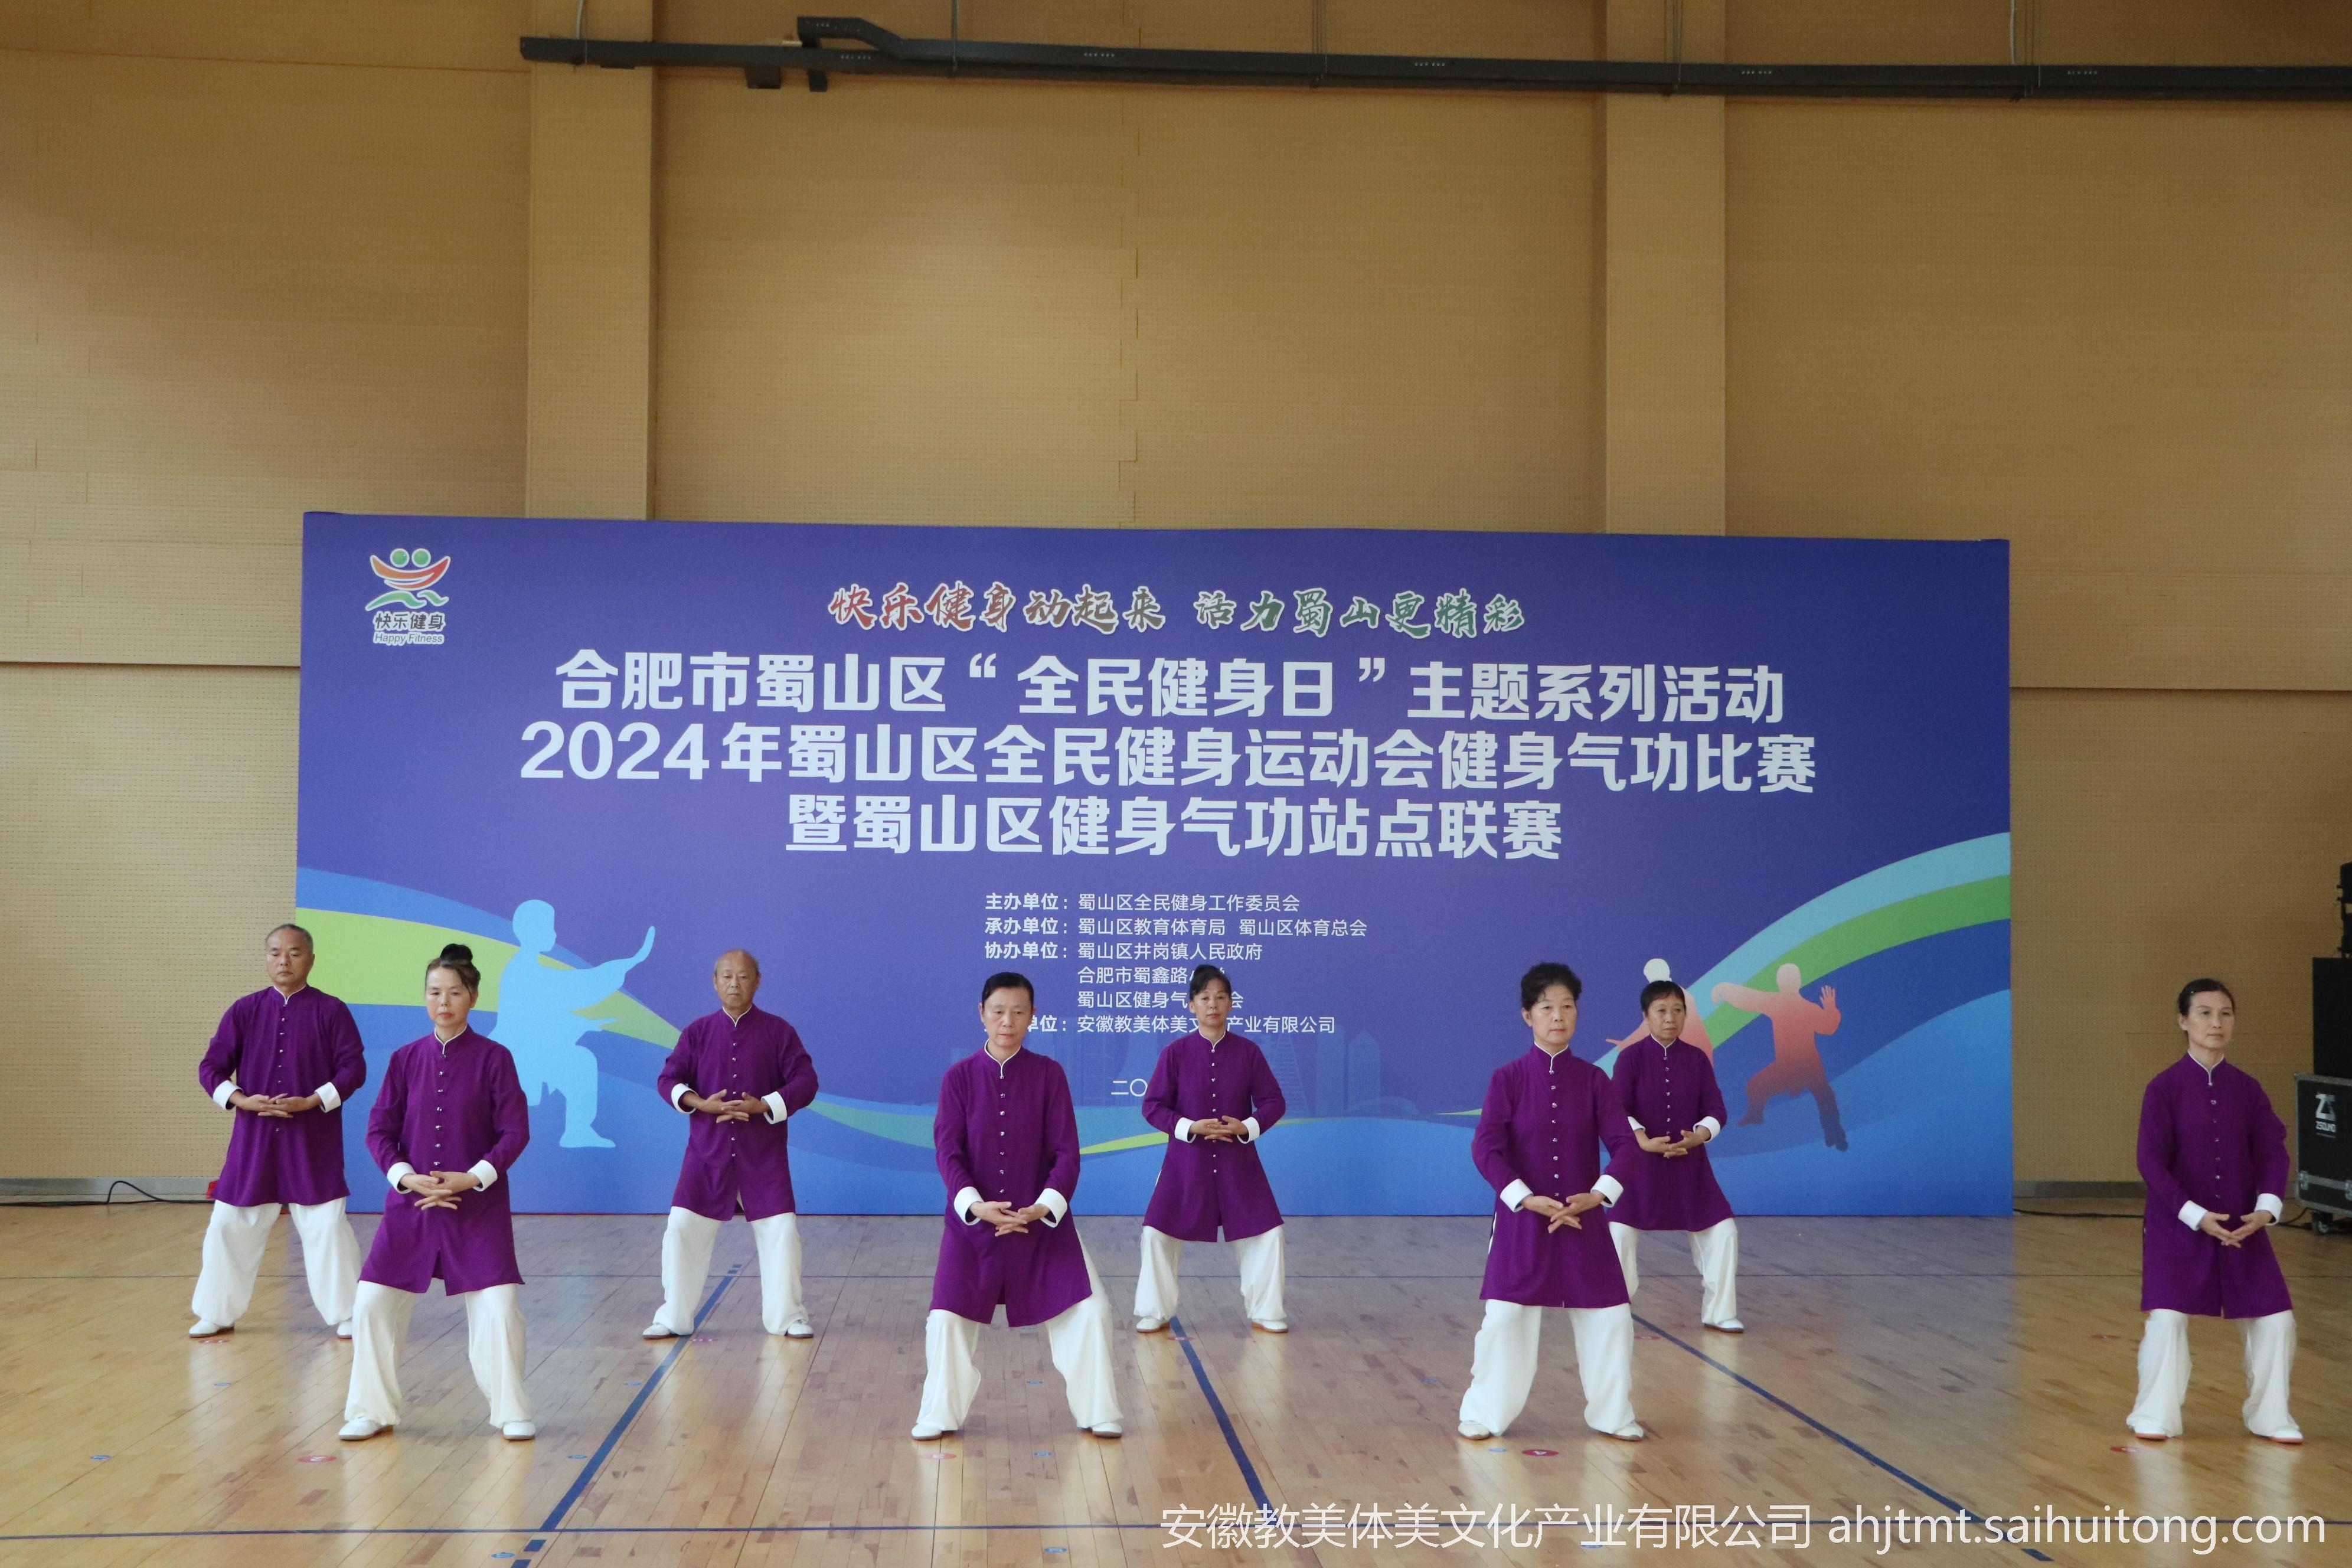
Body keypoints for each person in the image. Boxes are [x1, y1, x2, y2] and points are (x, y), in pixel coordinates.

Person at [914, 973, 1121, 1441]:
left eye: (1019, 1012)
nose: (1007, 1021)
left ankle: (1098, 1410)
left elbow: (1067, 1153)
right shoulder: (959, 1078)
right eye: (998, 1011)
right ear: (982, 1014)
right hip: (973, 1227)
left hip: (1041, 1226)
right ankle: (939, 1413)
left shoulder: (1050, 1075)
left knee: (1092, 1311)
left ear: (1033, 1017)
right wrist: (975, 1206)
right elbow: (948, 1153)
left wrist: (1043, 1208)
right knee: (945, 1319)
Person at [340, 945, 534, 1442]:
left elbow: (515, 1132)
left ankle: (511, 1410)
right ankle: (370, 1409)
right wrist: (406, 1177)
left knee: (499, 1310)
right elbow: (379, 1131)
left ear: (473, 997)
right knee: (370, 1304)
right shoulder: (405, 1059)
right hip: (411, 1207)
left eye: (454, 993)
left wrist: (473, 1178)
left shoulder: (496, 1058)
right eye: (434, 993)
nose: (443, 1003)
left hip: (478, 1208)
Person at [1458, 962, 1643, 1442]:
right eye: (1546, 1008)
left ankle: (1613, 1415)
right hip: (1524, 1220)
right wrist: (1523, 1198)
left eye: (1567, 1006)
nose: (1558, 1016)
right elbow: (1486, 1148)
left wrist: (1599, 1194)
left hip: (1585, 1219)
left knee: (1611, 1316)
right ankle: (1484, 1413)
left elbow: (1625, 1145)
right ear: (1528, 1016)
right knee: (1505, 1318)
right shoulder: (1508, 1079)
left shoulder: (1595, 1081)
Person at [2126, 978, 2299, 1445]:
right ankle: (2155, 1412)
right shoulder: (2163, 1088)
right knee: (2167, 1319)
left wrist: (2266, 1209)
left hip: (2244, 1227)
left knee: (2277, 1320)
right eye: (2204, 1013)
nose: (2216, 1023)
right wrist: (2194, 1215)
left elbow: (2273, 1151)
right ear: (2183, 1021)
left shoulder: (2249, 1090)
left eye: (2225, 1014)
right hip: (2177, 1227)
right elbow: (2151, 1161)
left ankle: (2270, 1414)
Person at [190, 923, 367, 1338]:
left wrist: (313, 1100)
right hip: (254, 1140)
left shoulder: (331, 1010)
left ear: (311, 960)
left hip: (313, 1138)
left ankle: (347, 1313)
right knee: (229, 1222)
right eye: (275, 952)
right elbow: (211, 1068)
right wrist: (240, 1100)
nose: (283, 961)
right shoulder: (244, 1010)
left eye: (294, 952)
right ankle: (217, 1311)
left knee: (326, 1226)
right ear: (266, 958)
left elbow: (353, 1068)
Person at [646, 949, 821, 1340]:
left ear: (757, 981)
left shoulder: (780, 1032)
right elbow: (667, 1080)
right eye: (726, 976)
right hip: (706, 1156)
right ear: (715, 982)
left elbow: (806, 1082)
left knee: (781, 1232)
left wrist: (766, 1105)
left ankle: (787, 1318)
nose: (734, 984)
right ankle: (673, 1317)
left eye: (742, 977)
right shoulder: (697, 1033)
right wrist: (700, 1103)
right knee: (681, 1228)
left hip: (763, 1156)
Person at [1133, 965, 1288, 1335]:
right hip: (1185, 1164)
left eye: (1220, 997)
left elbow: (1274, 1102)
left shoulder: (1249, 1053)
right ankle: (1154, 1310)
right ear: (1192, 1005)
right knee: (1156, 1233)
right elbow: (1153, 1106)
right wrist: (1190, 1127)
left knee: (1268, 1234)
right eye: (1204, 998)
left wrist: (1246, 1127)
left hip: (1238, 1163)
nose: (1213, 1005)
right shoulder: (1175, 1053)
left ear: (1231, 1003)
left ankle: (1267, 1310)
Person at [1609, 979, 1742, 1332]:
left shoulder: (1697, 1059)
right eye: (1662, 1011)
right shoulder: (1630, 1058)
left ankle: (1720, 1312)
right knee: (1619, 1233)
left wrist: (1700, 1135)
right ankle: (1614, 1309)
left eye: (1678, 1011)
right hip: (1639, 1168)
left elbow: (1716, 1110)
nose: (1670, 1018)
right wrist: (1641, 1139)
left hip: (1690, 1167)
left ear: (1686, 1015)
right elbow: (1616, 1109)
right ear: (1646, 1016)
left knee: (1724, 1231)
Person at [492, 898, 654, 1148]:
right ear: (530, 931)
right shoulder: (524, 970)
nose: (554, 934)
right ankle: (578, 1131)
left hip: (528, 1050)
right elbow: (574, 989)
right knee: (581, 1062)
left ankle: (578, 1131)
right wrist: (621, 967)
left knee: (579, 1062)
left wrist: (582, 1023)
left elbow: (546, 1011)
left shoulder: (526, 967)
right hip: (520, 1054)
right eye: (548, 927)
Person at [1714, 963, 1845, 1150]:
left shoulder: (1793, 1005)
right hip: (1789, 1068)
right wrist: (1724, 989)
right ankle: (1756, 1115)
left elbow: (1828, 1027)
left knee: (1826, 1097)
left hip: (1808, 1066)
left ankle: (1835, 1134)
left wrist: (1724, 990)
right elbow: (1749, 998)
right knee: (1756, 1086)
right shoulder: (1789, 1004)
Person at [1605, 958, 1715, 1058]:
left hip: (1693, 1056)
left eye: (1651, 977)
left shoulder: (1680, 997)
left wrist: (1628, 1043)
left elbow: (1648, 1027)